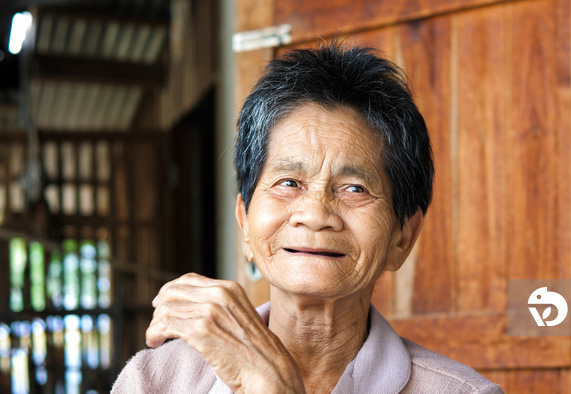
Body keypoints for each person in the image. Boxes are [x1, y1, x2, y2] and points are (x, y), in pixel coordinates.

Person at [112, 41, 503, 394]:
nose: (316, 215)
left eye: (354, 188)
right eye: (288, 182)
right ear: (245, 221)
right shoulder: (156, 382)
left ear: (403, 236)